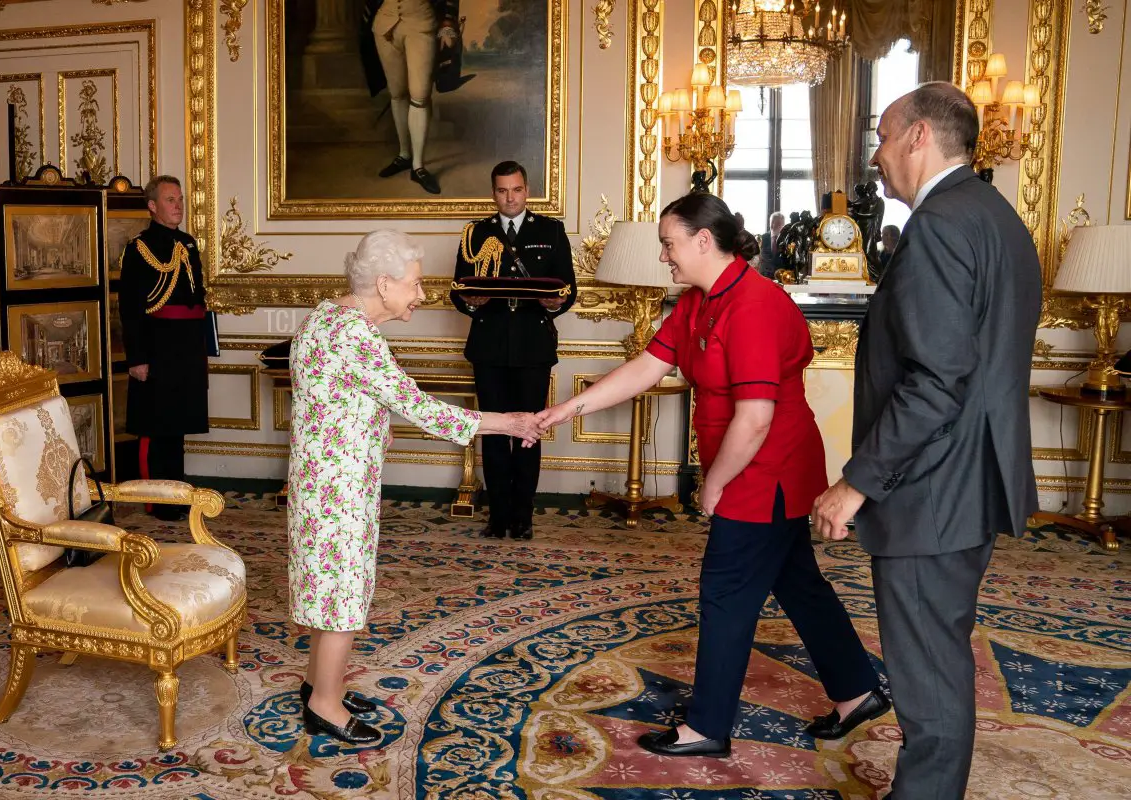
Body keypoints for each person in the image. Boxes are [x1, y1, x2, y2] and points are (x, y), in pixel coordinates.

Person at [536, 193, 887, 758]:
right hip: (753, 461)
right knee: (797, 582)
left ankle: (706, 727)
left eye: (669, 245)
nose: (664, 257)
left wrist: (713, 483)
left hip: (764, 465)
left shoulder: (755, 305)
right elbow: (645, 368)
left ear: (704, 240)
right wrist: (564, 411)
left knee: (725, 593)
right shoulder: (700, 302)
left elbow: (754, 419)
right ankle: (856, 693)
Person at [811, 82, 1040, 800]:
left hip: (931, 488)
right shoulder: (998, 217)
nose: (876, 156)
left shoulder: (940, 224)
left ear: (918, 137)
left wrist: (855, 483)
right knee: (939, 659)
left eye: (882, 137)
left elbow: (936, 381)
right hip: (974, 478)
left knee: (929, 679)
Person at [289, 229, 541, 746]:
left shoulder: (324, 315)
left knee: (328, 584)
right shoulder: (355, 335)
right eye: (415, 283)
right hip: (340, 487)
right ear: (383, 284)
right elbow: (421, 408)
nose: (422, 294)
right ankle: (325, 704)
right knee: (343, 591)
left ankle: (320, 681)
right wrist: (510, 423)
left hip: (318, 479)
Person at [451, 160, 577, 541]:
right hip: (489, 347)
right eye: (503, 190)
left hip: (532, 347)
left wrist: (556, 304)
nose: (510, 197)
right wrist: (472, 301)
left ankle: (523, 516)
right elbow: (458, 289)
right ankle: (498, 516)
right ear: (494, 193)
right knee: (492, 432)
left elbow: (568, 288)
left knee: (528, 432)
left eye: (517, 189)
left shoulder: (551, 231)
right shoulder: (475, 234)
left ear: (527, 190)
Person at [118, 175, 208, 521]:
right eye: (171, 200)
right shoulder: (139, 247)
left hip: (185, 349)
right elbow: (130, 308)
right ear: (152, 206)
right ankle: (157, 499)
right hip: (156, 348)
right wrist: (137, 358)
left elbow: (196, 302)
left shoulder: (188, 244)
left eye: (180, 199)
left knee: (178, 424)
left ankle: (178, 495)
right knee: (156, 427)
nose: (178, 206)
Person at [361, 0, 460, 195]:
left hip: (421, 23)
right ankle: (404, 155)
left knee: (420, 96)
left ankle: (418, 166)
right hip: (385, 26)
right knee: (397, 94)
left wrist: (448, 22)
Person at [759, 211, 786, 278]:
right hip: (764, 275)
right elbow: (762, 257)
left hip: (781, 275)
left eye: (777, 223)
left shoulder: (786, 238)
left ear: (783, 224)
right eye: (772, 222)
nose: (773, 225)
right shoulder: (763, 237)